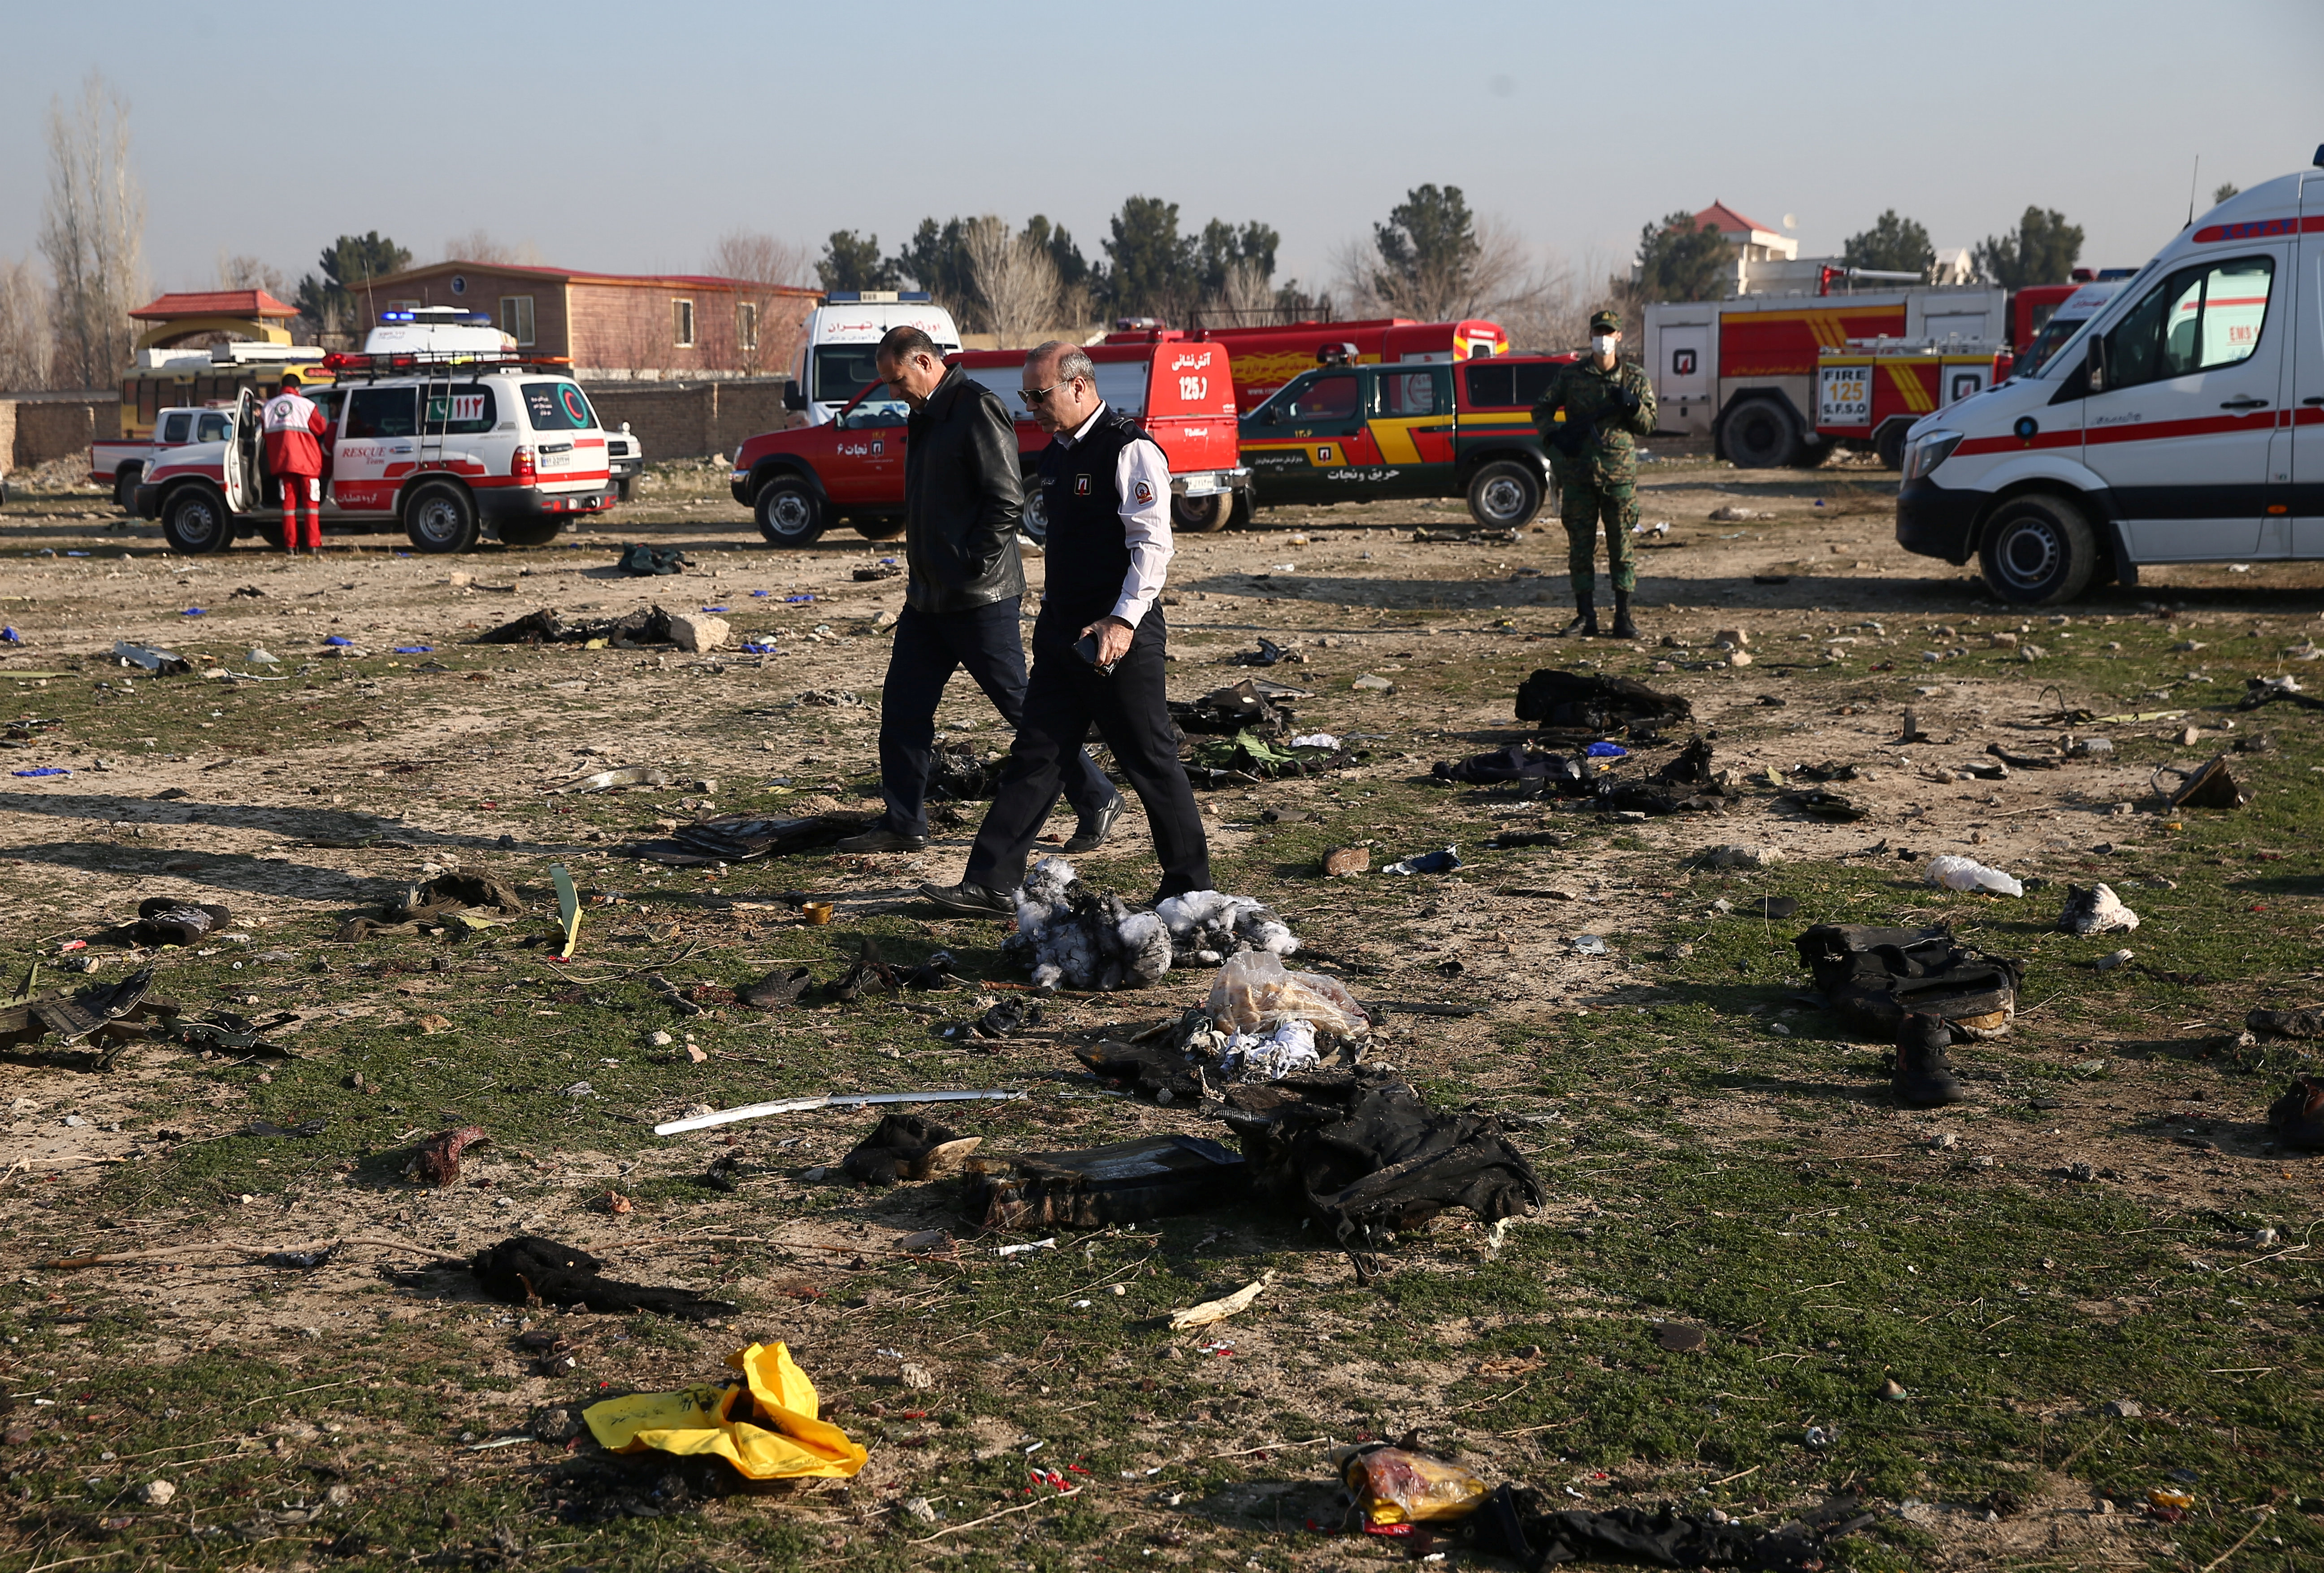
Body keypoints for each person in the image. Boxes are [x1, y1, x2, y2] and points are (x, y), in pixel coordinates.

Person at [919, 341, 1212, 917]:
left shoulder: (1129, 450)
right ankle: (991, 882)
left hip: (1116, 636)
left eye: (1039, 394)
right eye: (1025, 395)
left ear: (1078, 386)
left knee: (1150, 760)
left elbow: (1153, 547)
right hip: (1063, 636)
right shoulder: (1056, 454)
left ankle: (1189, 886)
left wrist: (1123, 621)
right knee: (1037, 755)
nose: (1030, 406)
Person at [835, 325, 1119, 856]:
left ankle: (1097, 795)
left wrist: (970, 564)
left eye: (897, 382)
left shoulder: (975, 407)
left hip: (979, 597)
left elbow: (1007, 500)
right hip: (928, 599)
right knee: (903, 706)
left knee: (1024, 707)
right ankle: (903, 821)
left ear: (924, 361)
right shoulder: (925, 414)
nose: (894, 395)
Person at [1531, 309, 1657, 638]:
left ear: (1618, 336)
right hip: (1578, 475)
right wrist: (1554, 437)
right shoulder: (1572, 376)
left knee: (1622, 548)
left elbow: (1649, 425)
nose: (1603, 338)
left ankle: (1623, 617)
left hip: (1618, 478)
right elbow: (1541, 408)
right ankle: (1585, 617)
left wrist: (1632, 405)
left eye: (1609, 332)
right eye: (1598, 332)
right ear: (1591, 336)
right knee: (1580, 549)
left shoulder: (1635, 378)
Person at [261, 369, 328, 556]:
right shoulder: (306, 405)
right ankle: (314, 545)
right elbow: (321, 427)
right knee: (311, 505)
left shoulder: (268, 408)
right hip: (307, 464)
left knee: (288, 507)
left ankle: (291, 546)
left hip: (283, 465)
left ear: (282, 387)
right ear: (298, 388)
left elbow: (265, 435)